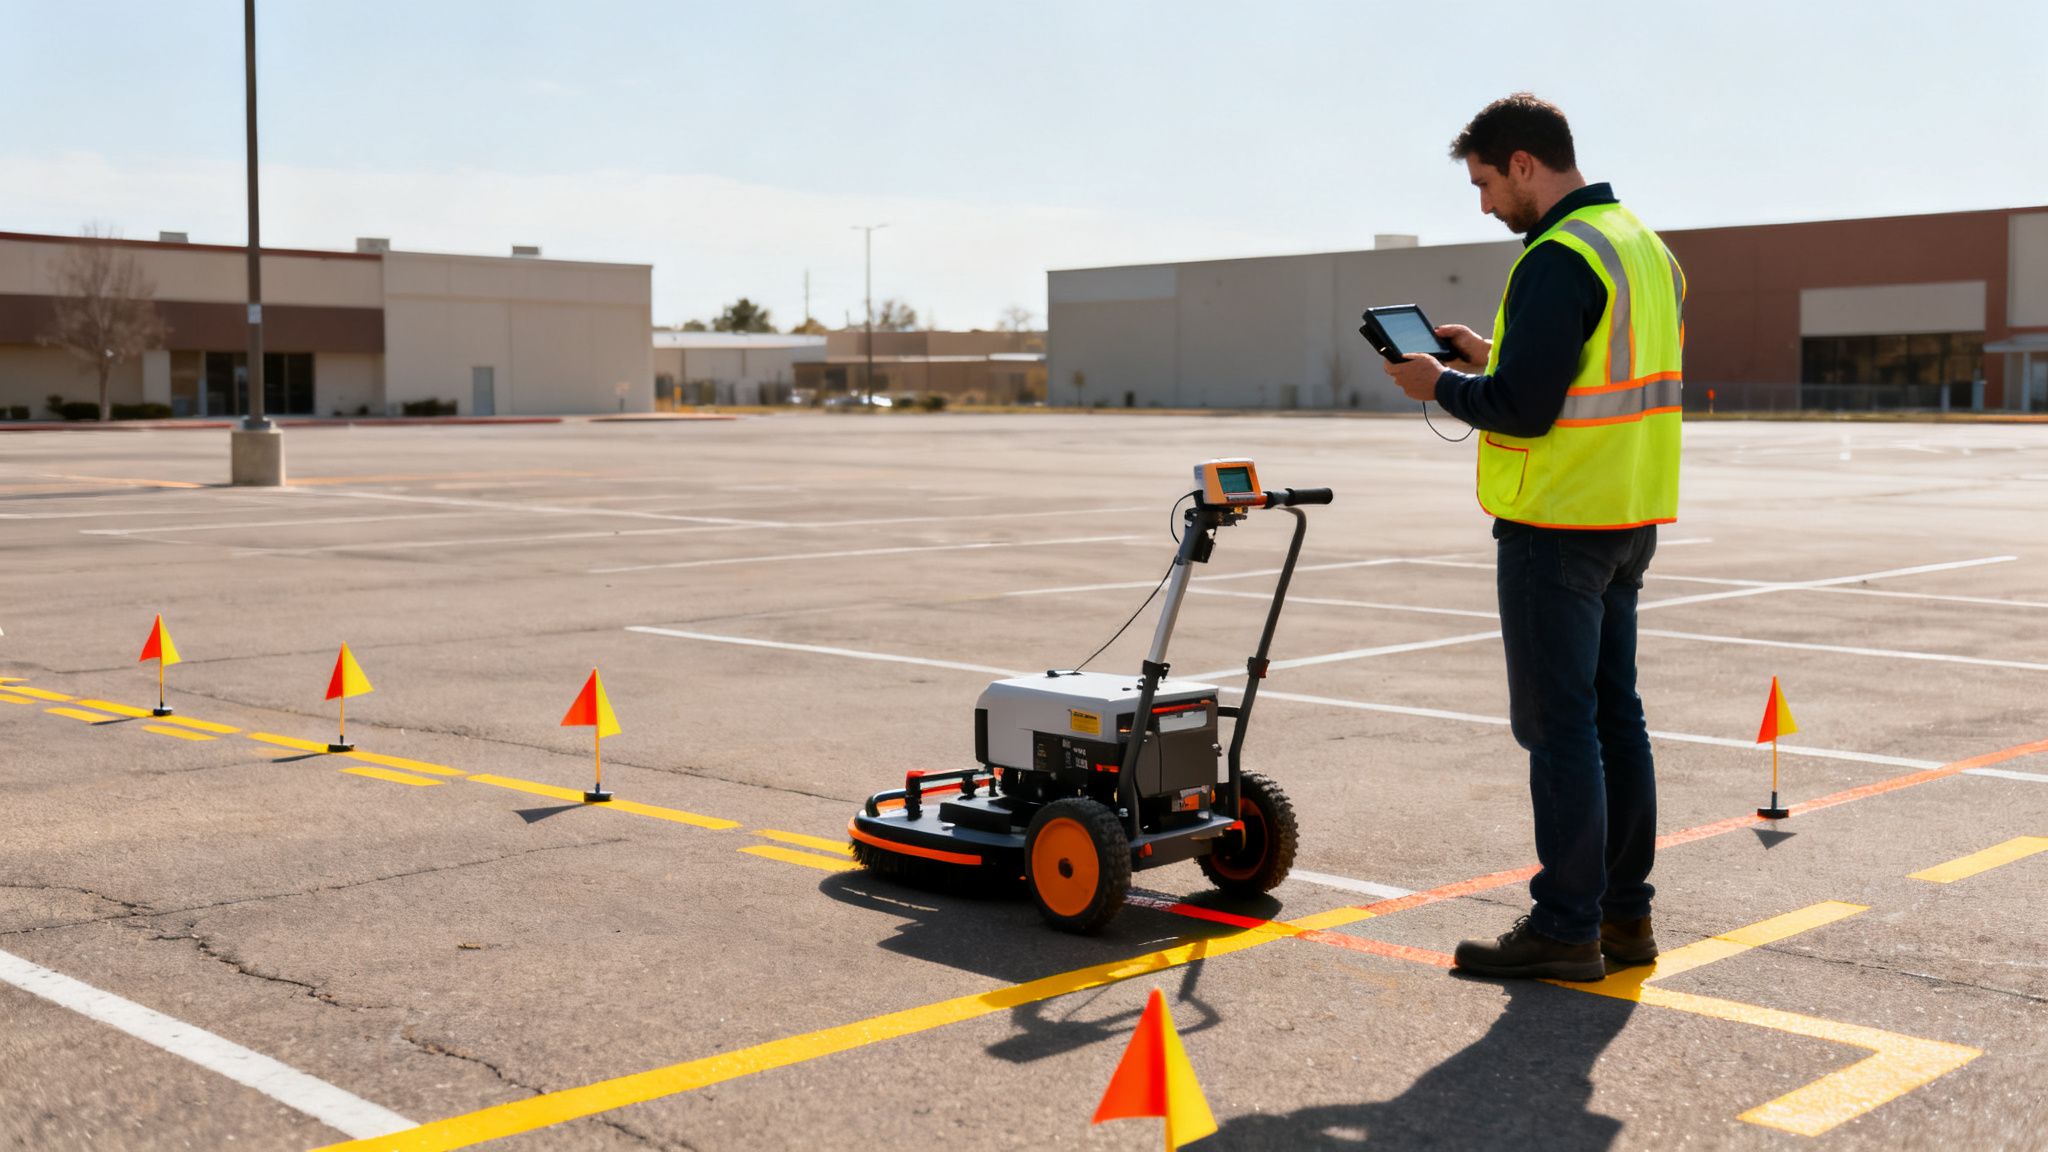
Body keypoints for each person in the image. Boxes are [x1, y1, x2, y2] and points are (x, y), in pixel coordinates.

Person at [1384, 93, 1685, 981]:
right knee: (1614, 721)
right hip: (1627, 516)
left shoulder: (1558, 255)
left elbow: (1526, 405)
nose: (1482, 204)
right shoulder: (1644, 247)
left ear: (1523, 163)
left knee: (1561, 732)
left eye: (1483, 184)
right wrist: (1485, 352)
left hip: (1556, 524)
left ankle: (1564, 926)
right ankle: (1625, 920)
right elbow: (1587, 366)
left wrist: (1439, 384)